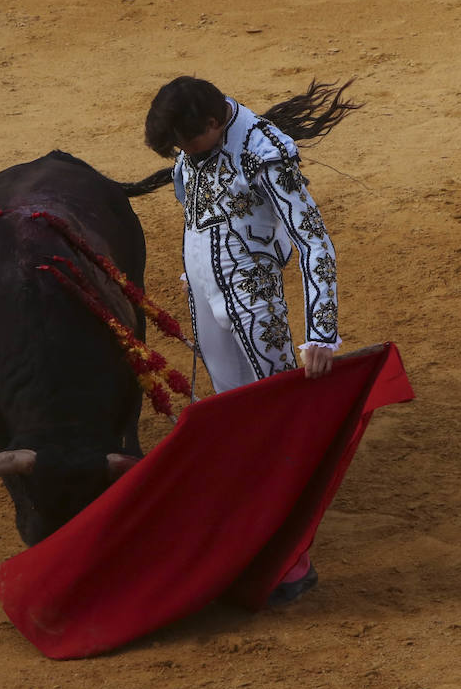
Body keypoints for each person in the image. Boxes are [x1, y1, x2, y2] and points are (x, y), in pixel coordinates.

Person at [144, 76, 354, 602]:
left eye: (186, 143)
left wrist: (321, 334)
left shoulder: (265, 152)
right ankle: (251, 535)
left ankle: (292, 556)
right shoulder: (192, 144)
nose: (182, 154)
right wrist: (194, 274)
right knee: (235, 413)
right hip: (206, 295)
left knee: (275, 420)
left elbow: (315, 243)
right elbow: (195, 216)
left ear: (214, 124)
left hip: (253, 300)